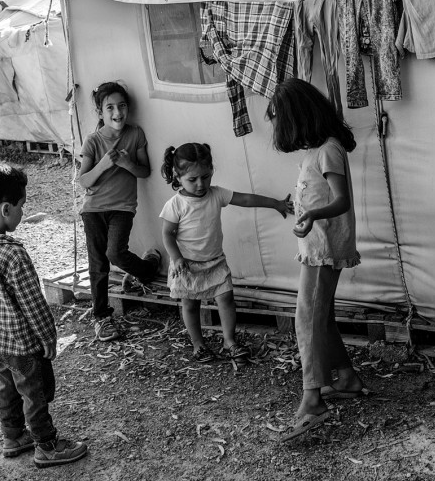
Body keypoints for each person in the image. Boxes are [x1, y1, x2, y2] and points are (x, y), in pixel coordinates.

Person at [0, 158, 88, 468]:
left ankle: (13, 436)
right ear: (6, 209)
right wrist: (48, 337)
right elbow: (33, 304)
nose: (22, 212)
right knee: (34, 393)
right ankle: (46, 446)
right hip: (23, 344)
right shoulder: (13, 253)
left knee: (6, 387)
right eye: (21, 206)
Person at [266, 78, 369, 442]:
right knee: (320, 318)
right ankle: (346, 378)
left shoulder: (329, 150)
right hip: (316, 247)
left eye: (278, 118)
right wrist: (304, 209)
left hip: (325, 249)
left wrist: (313, 215)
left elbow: (341, 200)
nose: (276, 127)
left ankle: (313, 400)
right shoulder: (315, 152)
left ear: (297, 116)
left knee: (306, 318)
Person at [160, 142, 292, 362]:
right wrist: (177, 258)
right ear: (177, 176)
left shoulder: (217, 194)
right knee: (190, 304)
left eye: (206, 176)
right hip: (187, 264)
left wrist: (276, 204)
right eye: (192, 180)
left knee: (226, 298)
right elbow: (167, 235)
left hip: (215, 262)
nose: (201, 184)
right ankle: (198, 345)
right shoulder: (175, 205)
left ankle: (229, 341)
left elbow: (247, 199)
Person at [77, 81, 160, 342]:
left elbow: (145, 171)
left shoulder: (135, 134)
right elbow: (84, 181)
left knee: (115, 252)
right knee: (98, 265)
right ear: (100, 112)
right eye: (110, 107)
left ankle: (147, 270)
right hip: (93, 209)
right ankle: (102, 317)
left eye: (122, 106)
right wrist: (103, 164)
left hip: (122, 207)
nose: (117, 112)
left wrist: (126, 163)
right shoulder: (93, 141)